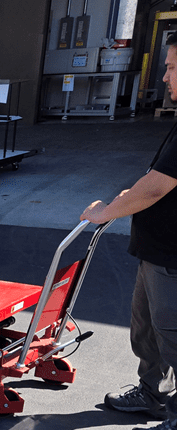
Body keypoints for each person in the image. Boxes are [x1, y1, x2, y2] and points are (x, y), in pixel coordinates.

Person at [79, 32, 177, 430]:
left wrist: (105, 212)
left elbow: (156, 187)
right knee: (149, 330)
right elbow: (158, 177)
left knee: (172, 334)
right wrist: (126, 198)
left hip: (172, 258)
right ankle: (152, 394)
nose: (166, 77)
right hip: (156, 252)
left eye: (171, 68)